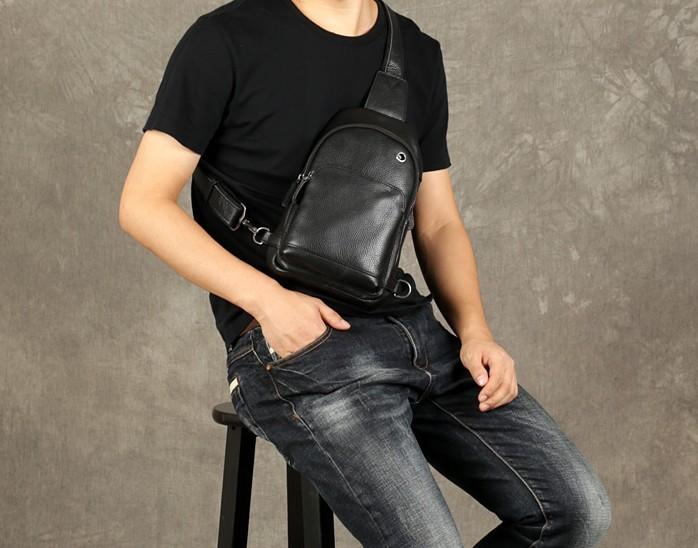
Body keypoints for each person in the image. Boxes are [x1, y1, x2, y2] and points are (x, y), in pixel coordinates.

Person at [120, 1, 612, 546]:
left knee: (577, 511)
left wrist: (475, 330)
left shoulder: (416, 52)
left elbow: (439, 223)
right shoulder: (224, 40)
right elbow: (143, 203)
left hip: (414, 333)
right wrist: (269, 301)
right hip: (299, 347)